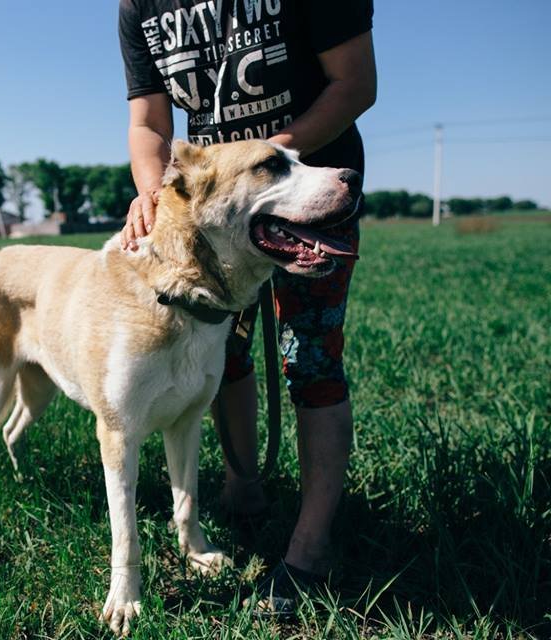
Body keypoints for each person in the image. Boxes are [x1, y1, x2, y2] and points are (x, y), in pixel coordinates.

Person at [118, 0, 376, 614]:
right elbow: (150, 124)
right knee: (221, 356)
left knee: (309, 361)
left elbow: (354, 82)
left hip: (301, 196)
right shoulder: (141, 5)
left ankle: (309, 550)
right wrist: (156, 191)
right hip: (210, 208)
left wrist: (263, 161)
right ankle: (244, 491)